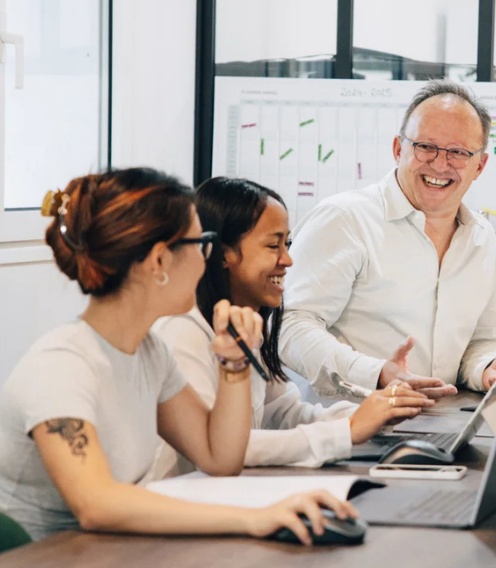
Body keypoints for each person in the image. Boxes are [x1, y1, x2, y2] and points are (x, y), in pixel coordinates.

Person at [0, 168, 354, 546]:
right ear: (159, 262)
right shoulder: (61, 366)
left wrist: (234, 365)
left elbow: (219, 457)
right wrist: (253, 519)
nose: (207, 259)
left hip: (116, 551)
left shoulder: (149, 352)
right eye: (200, 244)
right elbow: (97, 504)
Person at [151, 177, 433, 478]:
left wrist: (379, 414)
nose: (287, 260)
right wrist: (348, 431)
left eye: (287, 244)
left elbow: (286, 414)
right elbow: (224, 448)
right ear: (221, 254)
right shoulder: (182, 332)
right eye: (273, 245)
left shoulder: (247, 326)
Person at [279, 79, 496, 398]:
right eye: (425, 147)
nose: (440, 165)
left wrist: (488, 369)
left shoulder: (481, 237)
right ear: (399, 149)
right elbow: (289, 327)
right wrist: (377, 373)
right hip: (347, 433)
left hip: (439, 428)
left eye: (457, 152)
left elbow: (481, 342)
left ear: (479, 165)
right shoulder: (344, 219)